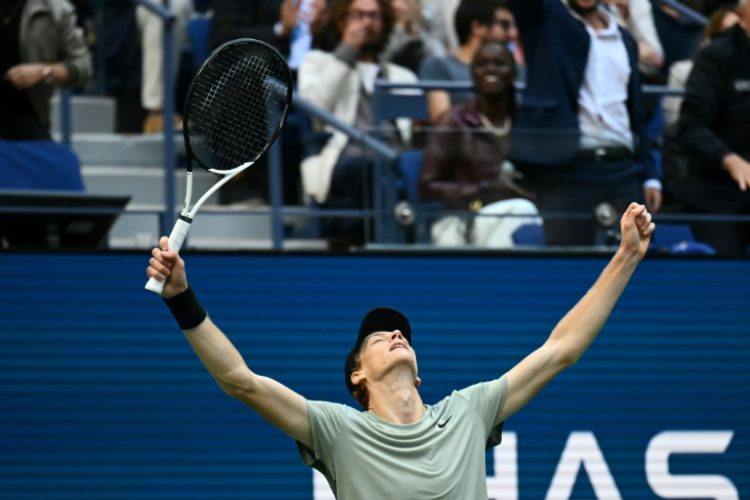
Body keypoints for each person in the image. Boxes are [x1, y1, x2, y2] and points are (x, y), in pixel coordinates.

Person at [145, 202, 656, 499]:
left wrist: (626, 257)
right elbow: (240, 379)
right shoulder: (337, 430)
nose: (395, 336)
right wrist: (181, 297)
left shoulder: (468, 412)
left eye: (401, 335)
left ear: (418, 374)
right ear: (357, 377)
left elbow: (561, 349)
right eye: (378, 337)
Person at [509, 0, 662, 246]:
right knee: (565, 270)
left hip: (623, 167)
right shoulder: (548, 22)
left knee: (638, 263)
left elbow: (634, 113)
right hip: (567, 169)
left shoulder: (625, 39)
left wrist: (650, 174)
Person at [298, 0, 418, 248]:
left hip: (395, 159)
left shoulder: (403, 75)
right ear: (342, 21)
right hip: (347, 159)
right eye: (359, 15)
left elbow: (417, 128)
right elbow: (315, 108)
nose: (367, 22)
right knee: (367, 168)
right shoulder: (318, 62)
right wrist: (347, 51)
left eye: (374, 16)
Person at [419, 41, 540, 247]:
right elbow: (427, 186)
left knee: (526, 214)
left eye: (499, 63)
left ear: (513, 73)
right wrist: (484, 190)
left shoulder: (526, 121)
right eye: (482, 64)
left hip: (508, 216)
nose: (490, 69)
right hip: (463, 216)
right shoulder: (455, 121)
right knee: (522, 211)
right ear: (473, 74)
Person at [673, 0, 750, 255]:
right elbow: (690, 126)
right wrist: (730, 160)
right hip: (716, 194)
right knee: (725, 275)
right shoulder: (715, 56)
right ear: (741, 17)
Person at [1, 0, 92, 140]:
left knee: (56, 159)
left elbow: (84, 67)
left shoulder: (55, 9)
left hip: (27, 120)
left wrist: (44, 72)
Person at [418, 0, 513, 124]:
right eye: (504, 25)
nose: (512, 33)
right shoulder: (438, 66)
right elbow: (442, 121)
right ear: (477, 27)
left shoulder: (516, 71)